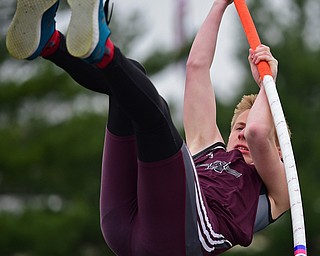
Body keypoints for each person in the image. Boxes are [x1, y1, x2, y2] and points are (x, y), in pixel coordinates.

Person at [6, 0, 289, 255]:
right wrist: (220, 5)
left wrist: (268, 82)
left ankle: (101, 49)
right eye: (237, 127)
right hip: (122, 223)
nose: (242, 133)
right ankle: (49, 42)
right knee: (130, 82)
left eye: (249, 126)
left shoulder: (278, 192)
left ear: (278, 150)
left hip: (175, 240)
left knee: (156, 116)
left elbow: (257, 133)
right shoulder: (209, 148)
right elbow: (196, 68)